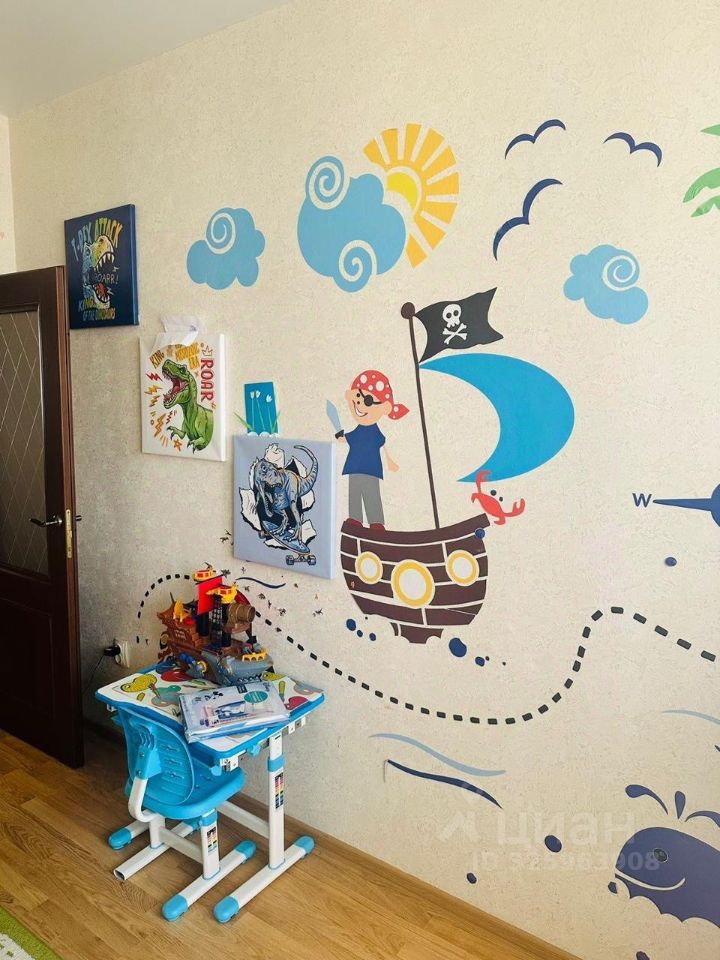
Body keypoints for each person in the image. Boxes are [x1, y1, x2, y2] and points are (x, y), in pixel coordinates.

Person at [338, 370, 408, 529]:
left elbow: (381, 443)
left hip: (370, 468)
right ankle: (355, 518)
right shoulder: (359, 429)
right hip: (355, 467)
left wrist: (390, 461)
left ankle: (376, 521)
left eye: (368, 400)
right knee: (355, 493)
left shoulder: (374, 431)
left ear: (384, 408)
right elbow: (349, 438)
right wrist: (341, 437)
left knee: (371, 494)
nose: (359, 404)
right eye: (357, 397)